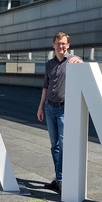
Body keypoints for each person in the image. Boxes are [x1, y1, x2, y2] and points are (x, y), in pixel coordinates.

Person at [37, 32, 83, 193]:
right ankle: (59, 179)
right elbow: (45, 86)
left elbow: (84, 69)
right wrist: (41, 106)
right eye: (58, 43)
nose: (61, 46)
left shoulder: (73, 61)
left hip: (64, 109)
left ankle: (61, 179)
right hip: (49, 107)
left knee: (64, 146)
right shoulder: (49, 64)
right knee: (54, 145)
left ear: (68, 45)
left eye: (64, 43)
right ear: (54, 45)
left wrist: (81, 62)